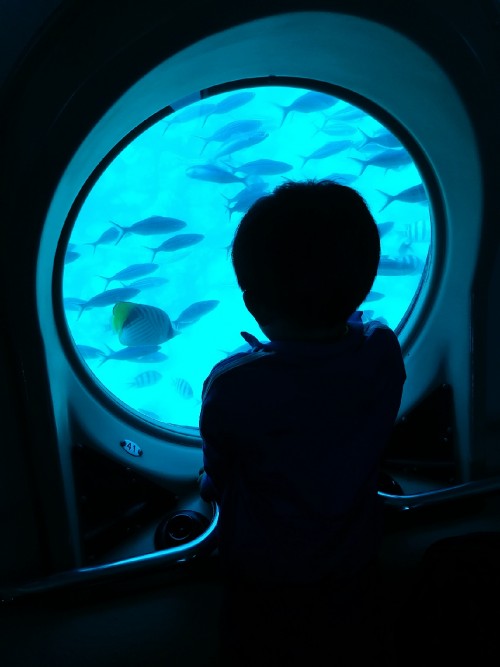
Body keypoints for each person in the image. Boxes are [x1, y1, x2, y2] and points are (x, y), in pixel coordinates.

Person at [198, 179, 406, 665]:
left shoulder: (234, 384)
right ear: (366, 282)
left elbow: (218, 475)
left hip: (263, 580)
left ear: (252, 302)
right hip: (357, 564)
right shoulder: (381, 350)